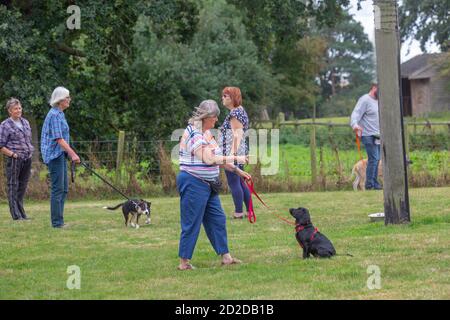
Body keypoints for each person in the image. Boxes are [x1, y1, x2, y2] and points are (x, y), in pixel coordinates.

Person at [177, 99, 251, 270]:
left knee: (217, 219)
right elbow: (209, 159)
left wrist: (238, 171)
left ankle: (226, 257)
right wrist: (237, 158)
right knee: (192, 222)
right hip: (193, 182)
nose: (217, 120)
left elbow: (217, 158)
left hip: (209, 184)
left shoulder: (207, 133)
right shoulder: (195, 133)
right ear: (206, 117)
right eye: (215, 117)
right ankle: (184, 262)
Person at [41, 87, 80, 228]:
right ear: (60, 100)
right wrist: (73, 154)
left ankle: (59, 221)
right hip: (54, 155)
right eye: (67, 97)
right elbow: (59, 139)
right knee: (58, 189)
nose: (69, 99)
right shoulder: (55, 115)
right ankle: (57, 223)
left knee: (63, 189)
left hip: (60, 154)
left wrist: (68, 153)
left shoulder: (60, 114)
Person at [218, 87, 251, 219]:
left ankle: (239, 212)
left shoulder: (235, 113)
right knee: (240, 182)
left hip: (234, 151)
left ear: (232, 98)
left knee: (234, 182)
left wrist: (232, 156)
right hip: (238, 151)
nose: (223, 98)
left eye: (225, 96)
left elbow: (237, 134)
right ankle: (249, 211)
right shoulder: (239, 111)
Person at [0, 98, 34, 220]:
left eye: (19, 108)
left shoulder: (25, 122)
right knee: (13, 186)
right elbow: (1, 145)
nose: (18, 110)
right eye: (15, 109)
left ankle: (22, 213)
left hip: (27, 158)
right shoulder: (5, 125)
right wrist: (13, 155)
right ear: (10, 111)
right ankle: (15, 215)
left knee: (22, 186)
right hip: (14, 159)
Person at [350, 83, 382, 190]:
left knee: (377, 160)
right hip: (367, 135)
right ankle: (370, 185)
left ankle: (375, 183)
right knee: (374, 159)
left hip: (378, 135)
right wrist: (355, 125)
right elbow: (356, 113)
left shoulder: (378, 101)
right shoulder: (365, 99)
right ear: (374, 88)